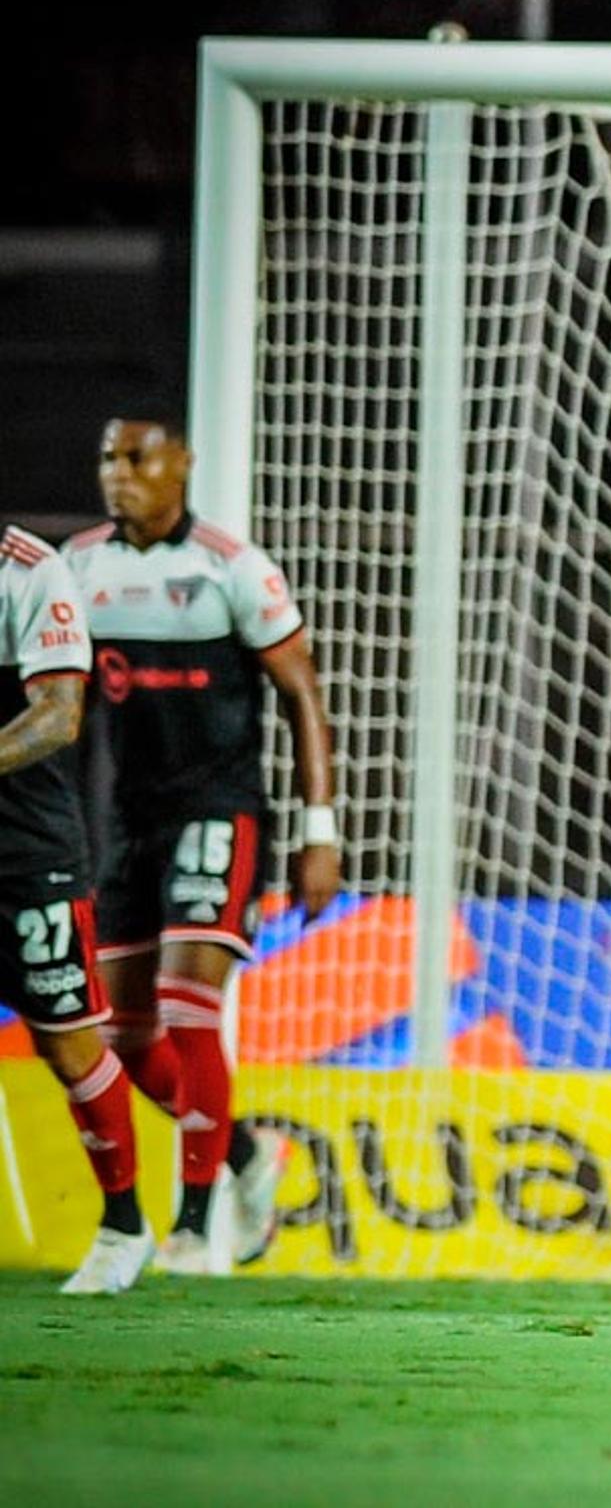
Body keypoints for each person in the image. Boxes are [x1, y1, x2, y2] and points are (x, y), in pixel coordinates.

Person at [74, 415, 334, 1273]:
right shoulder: (79, 568)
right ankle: (248, 1157)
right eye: (109, 458)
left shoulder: (232, 567)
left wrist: (319, 830)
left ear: (181, 464)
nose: (120, 474)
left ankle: (191, 1228)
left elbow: (302, 694)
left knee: (190, 1008)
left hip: (220, 808)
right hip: (126, 822)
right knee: (119, 1035)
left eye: (138, 457)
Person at [0, 526, 149, 1294]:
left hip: (26, 856)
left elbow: (57, 716)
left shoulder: (29, 571)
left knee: (69, 1048)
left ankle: (124, 1225)